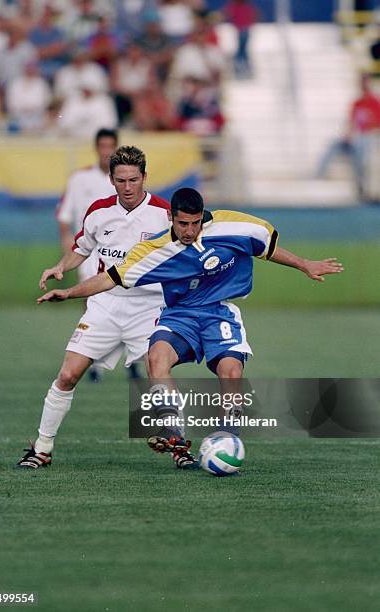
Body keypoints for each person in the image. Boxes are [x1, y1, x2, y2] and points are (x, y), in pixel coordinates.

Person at [36, 187, 344, 468]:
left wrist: (305, 264)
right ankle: (174, 430)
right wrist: (68, 293)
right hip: (179, 315)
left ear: (203, 217)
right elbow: (109, 278)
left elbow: (266, 245)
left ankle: (229, 436)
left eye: (195, 223)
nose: (189, 230)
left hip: (219, 313)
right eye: (183, 224)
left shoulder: (233, 226)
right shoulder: (154, 251)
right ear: (170, 218)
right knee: (156, 357)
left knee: (231, 372)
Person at [17, 146, 171, 469]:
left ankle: (178, 444)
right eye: (120, 180)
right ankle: (42, 449)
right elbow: (81, 248)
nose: (128, 187)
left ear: (144, 177)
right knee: (68, 373)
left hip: (149, 307)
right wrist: (61, 267)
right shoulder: (99, 211)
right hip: (105, 305)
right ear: (111, 179)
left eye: (133, 180)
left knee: (159, 371)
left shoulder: (163, 213)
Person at [56, 127, 118, 381]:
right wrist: (66, 245)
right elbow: (64, 215)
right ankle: (93, 359)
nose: (106, 152)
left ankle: (124, 355)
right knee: (90, 299)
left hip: (119, 250)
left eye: (110, 147)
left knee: (122, 301)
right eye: (102, 146)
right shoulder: (80, 179)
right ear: (96, 148)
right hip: (89, 251)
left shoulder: (124, 179)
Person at [316, 75, 380, 200]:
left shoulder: (374, 102)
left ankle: (361, 186)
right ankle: (320, 174)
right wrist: (348, 135)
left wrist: (365, 131)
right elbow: (351, 122)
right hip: (355, 137)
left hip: (368, 136)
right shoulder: (357, 103)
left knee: (361, 147)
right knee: (333, 144)